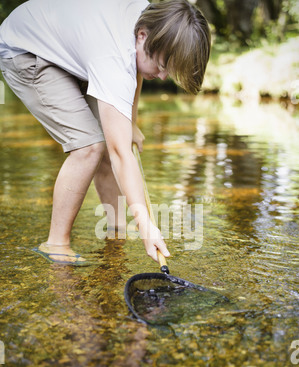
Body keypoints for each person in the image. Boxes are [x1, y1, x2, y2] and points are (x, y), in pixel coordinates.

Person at [0, 0, 211, 265]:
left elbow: (134, 72)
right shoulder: (114, 54)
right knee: (89, 147)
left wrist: (130, 122)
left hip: (67, 44)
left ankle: (116, 231)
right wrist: (146, 225)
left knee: (113, 140)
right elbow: (121, 154)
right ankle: (56, 243)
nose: (163, 76)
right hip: (24, 48)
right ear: (142, 36)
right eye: (161, 66)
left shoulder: (148, 21)